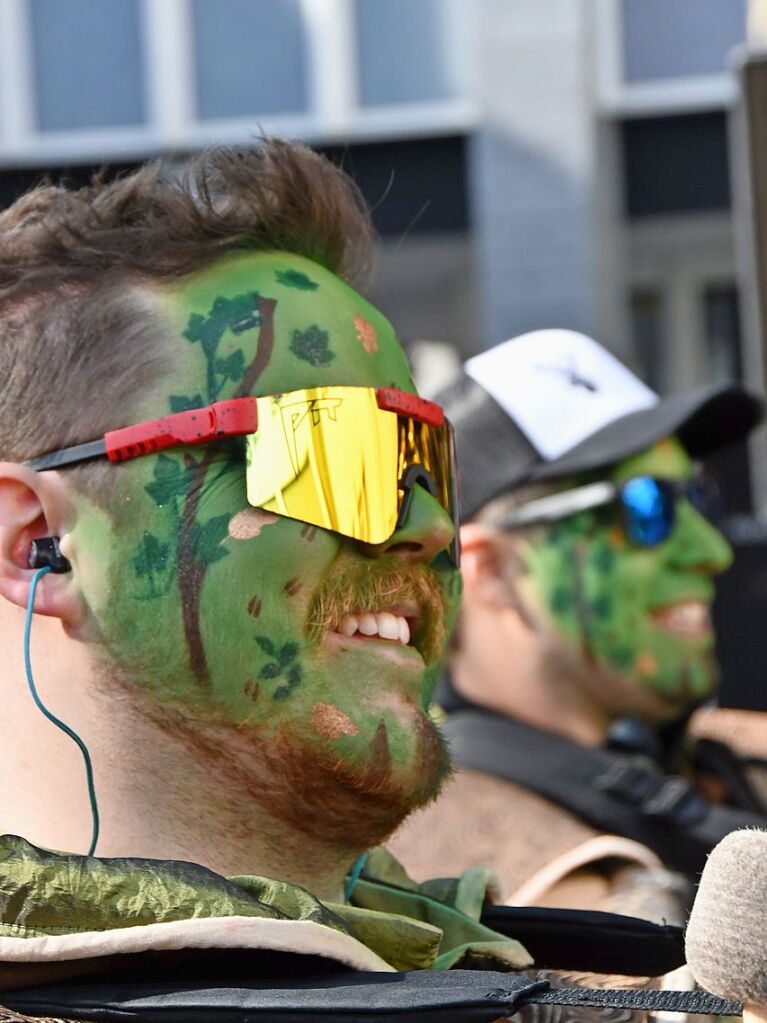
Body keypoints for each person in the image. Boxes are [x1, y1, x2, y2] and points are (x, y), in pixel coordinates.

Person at [0, 140, 533, 987]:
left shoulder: (552, 981)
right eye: (330, 451)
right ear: (35, 543)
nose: (428, 526)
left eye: (422, 456)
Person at [389, 328, 766, 917]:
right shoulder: (442, 871)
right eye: (647, 506)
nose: (711, 550)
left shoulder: (734, 757)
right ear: (488, 569)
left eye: (697, 494)